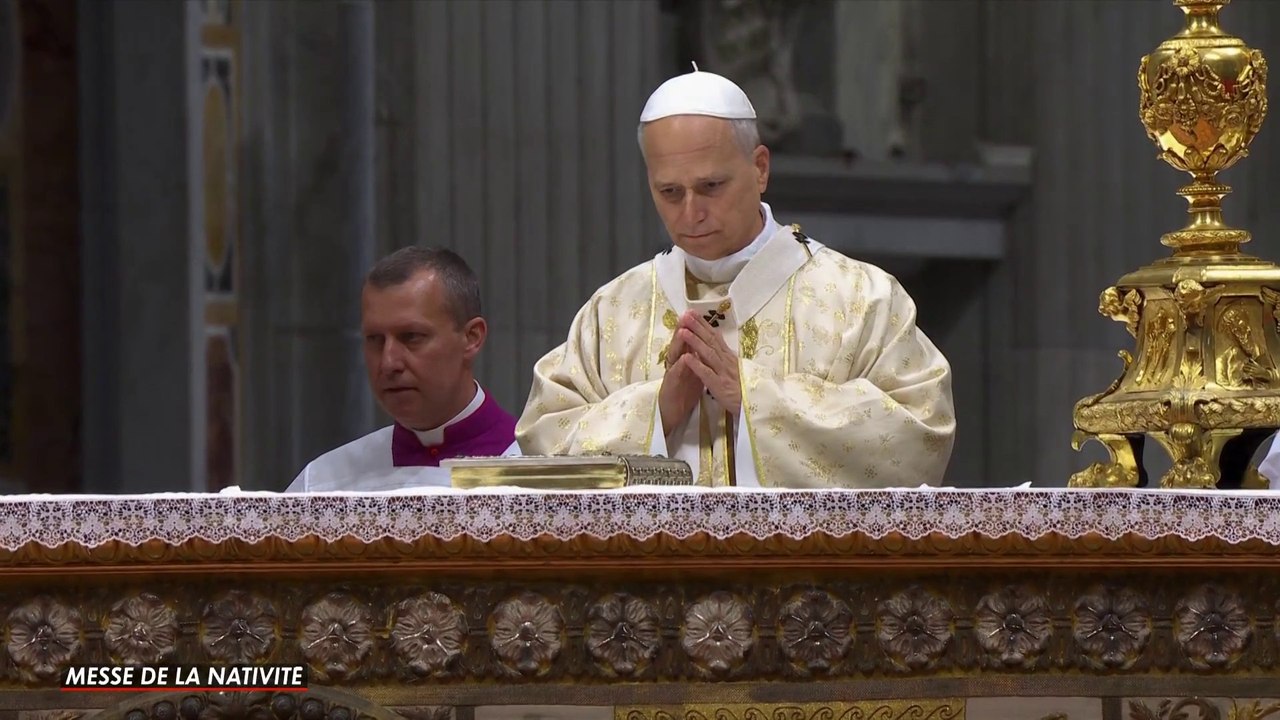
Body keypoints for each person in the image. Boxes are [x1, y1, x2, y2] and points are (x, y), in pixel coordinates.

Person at [514, 68, 955, 488]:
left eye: (711, 187)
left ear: (760, 168)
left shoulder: (861, 300)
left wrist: (754, 396)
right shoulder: (612, 312)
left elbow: (920, 433)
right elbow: (542, 440)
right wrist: (656, 412)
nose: (690, 213)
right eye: (669, 192)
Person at [287, 247, 519, 492]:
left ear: (471, 338)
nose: (388, 363)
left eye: (411, 337)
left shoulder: (542, 476)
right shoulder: (321, 485)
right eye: (375, 339)